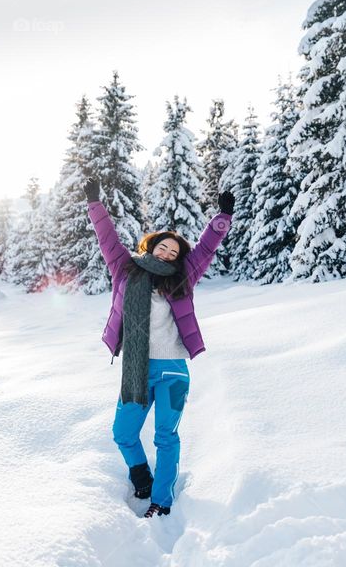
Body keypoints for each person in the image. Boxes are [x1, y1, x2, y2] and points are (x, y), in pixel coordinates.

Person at [84, 177, 234, 518]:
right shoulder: (125, 269)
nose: (167, 253)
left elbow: (207, 247)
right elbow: (107, 238)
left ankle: (162, 499)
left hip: (173, 372)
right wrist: (95, 203)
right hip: (137, 371)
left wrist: (222, 217)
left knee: (166, 437)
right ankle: (141, 476)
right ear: (149, 247)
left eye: (173, 251)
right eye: (162, 248)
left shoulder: (183, 276)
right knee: (123, 433)